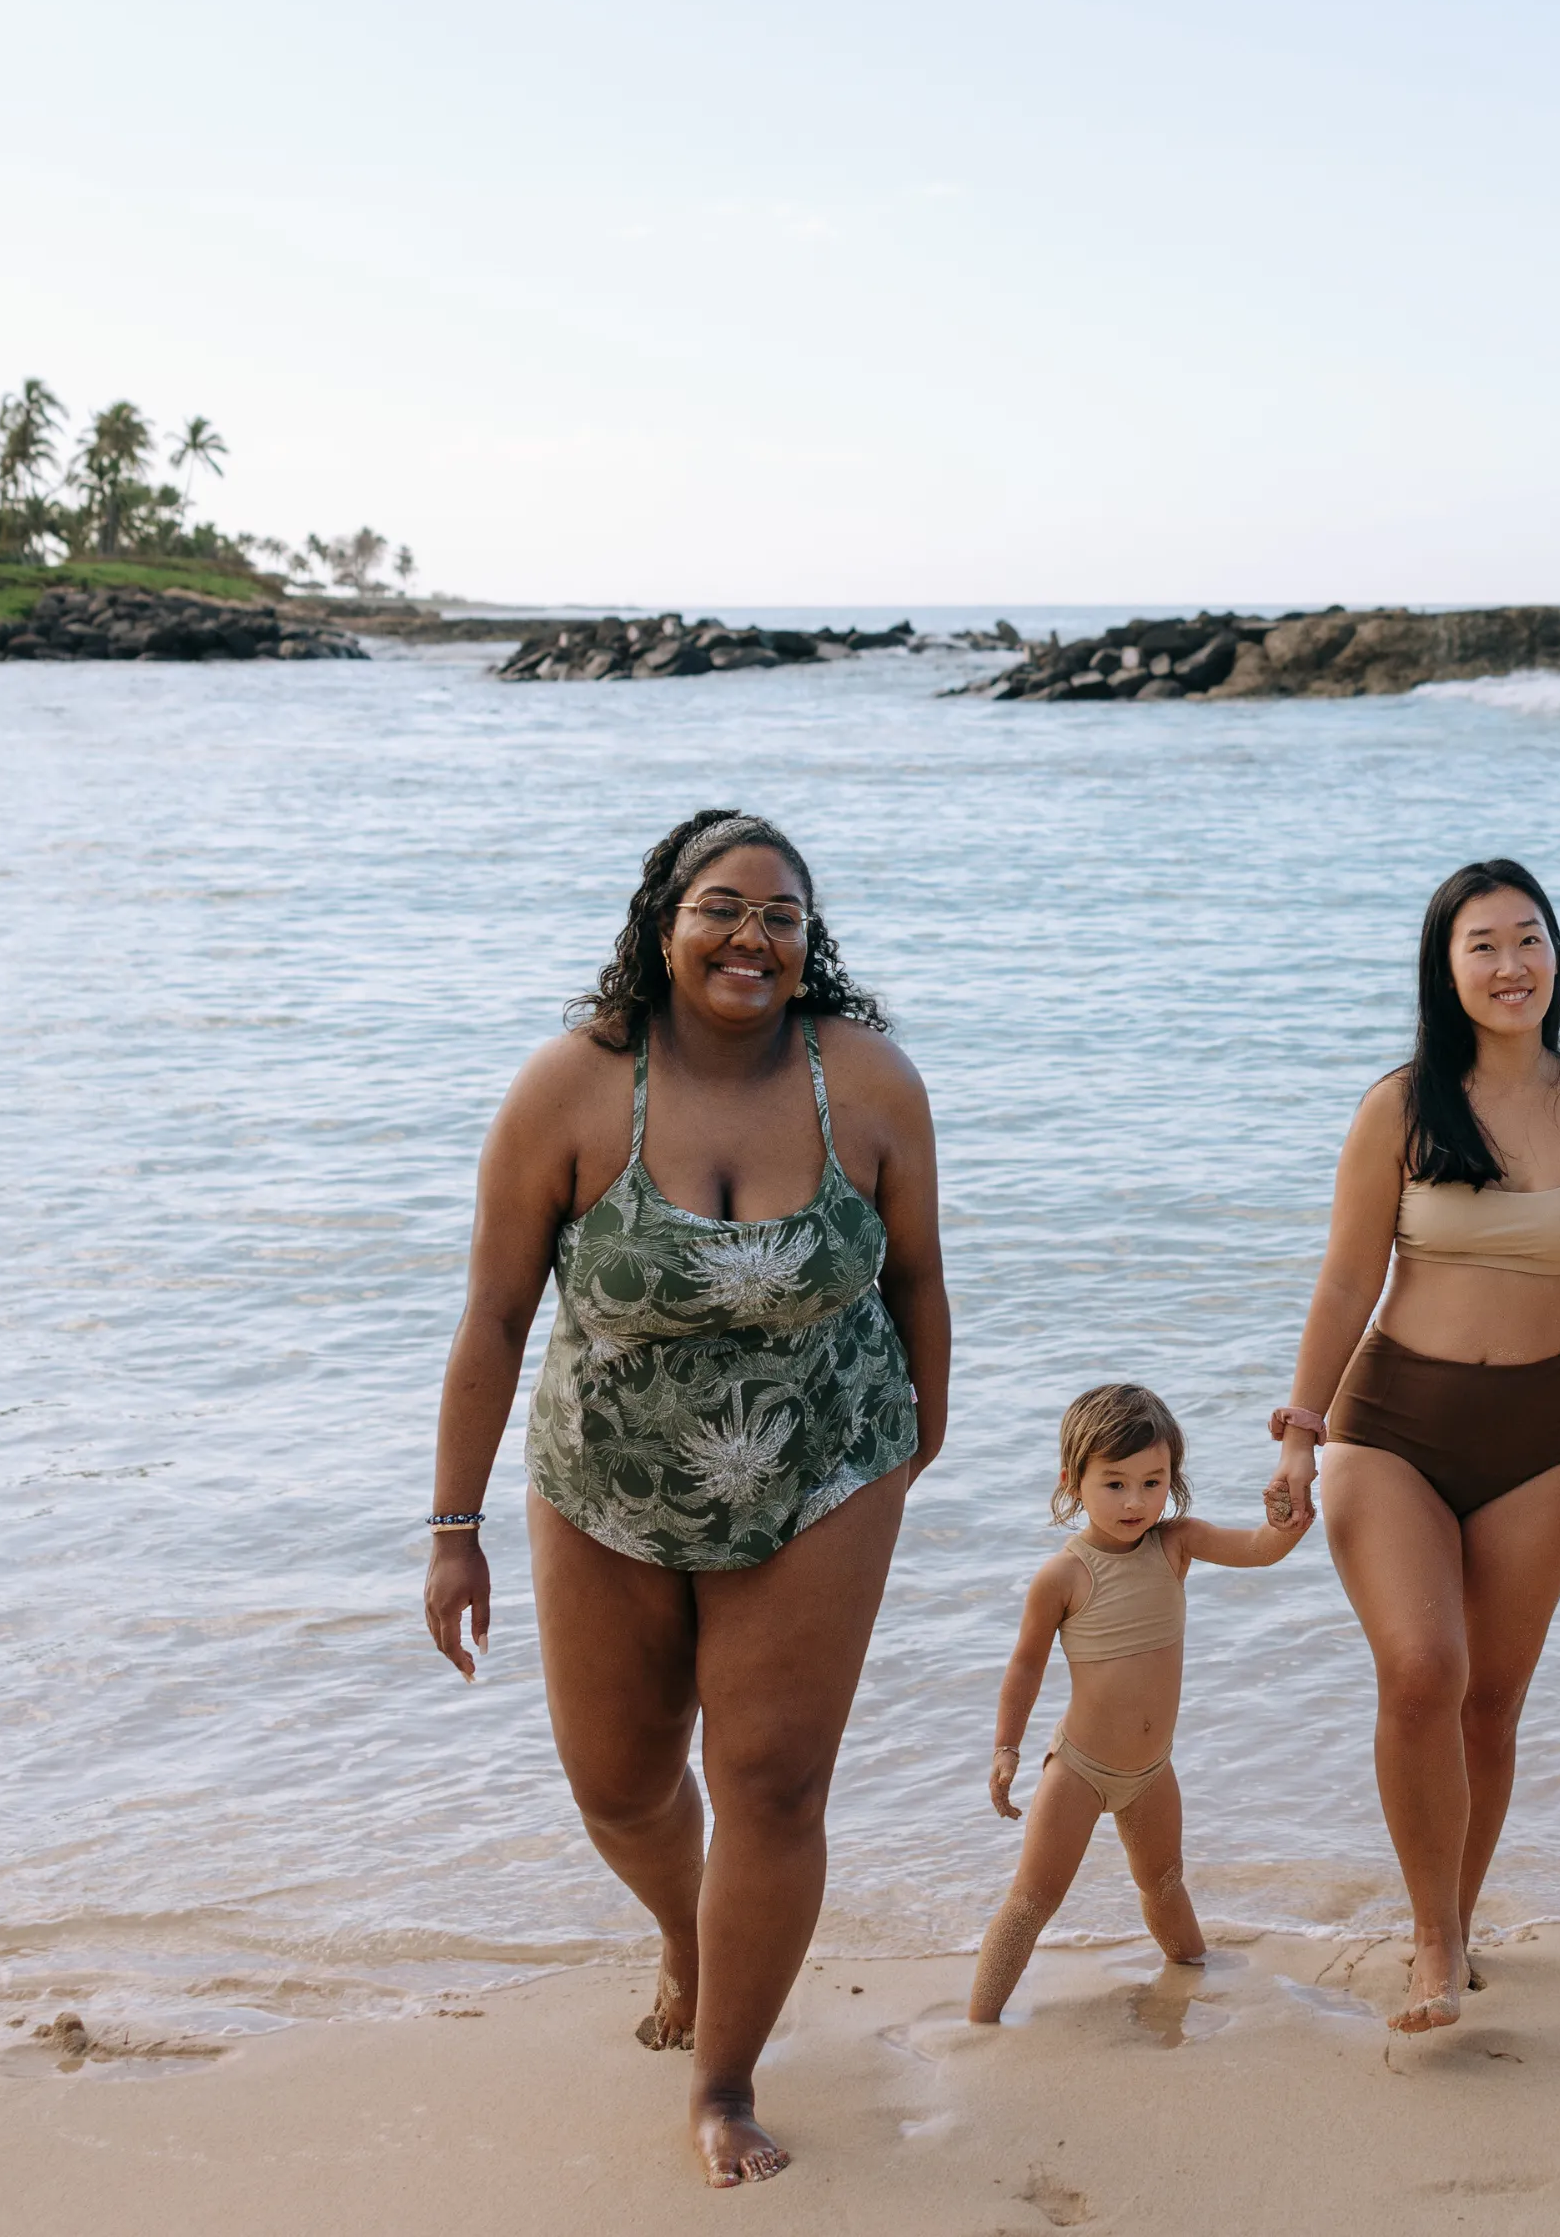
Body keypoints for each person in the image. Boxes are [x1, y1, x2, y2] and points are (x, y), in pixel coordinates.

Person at [421, 809, 950, 2190]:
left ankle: (723, 2080)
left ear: (808, 943)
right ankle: (690, 1927)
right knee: (621, 1784)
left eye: (783, 916)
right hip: (606, 1484)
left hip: (826, 1468)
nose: (752, 938)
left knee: (771, 1782)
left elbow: (918, 1280)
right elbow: (490, 1319)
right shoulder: (572, 1090)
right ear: (663, 924)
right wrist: (452, 1530)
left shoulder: (870, 1083)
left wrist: (915, 1447)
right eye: (723, 907)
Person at [1264, 860, 1560, 2034]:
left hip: (1541, 1436)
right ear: (1446, 970)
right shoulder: (1400, 1105)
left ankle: (1458, 1913)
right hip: (1390, 1424)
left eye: (1528, 940)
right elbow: (1347, 1277)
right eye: (1482, 945)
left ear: (1556, 954)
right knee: (1422, 1670)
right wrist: (1299, 1433)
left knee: (1492, 1707)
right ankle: (1433, 1944)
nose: (1510, 966)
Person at [966, 1382, 1309, 2024]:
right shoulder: (1064, 1576)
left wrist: (1286, 1520)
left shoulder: (1176, 1544)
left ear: (1172, 1479)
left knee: (1163, 1883)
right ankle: (979, 2022)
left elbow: (1260, 1551)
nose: (1136, 1501)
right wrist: (1007, 1749)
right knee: (1032, 1901)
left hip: (1152, 1772)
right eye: (1115, 1483)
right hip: (1079, 1770)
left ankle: (1194, 1973)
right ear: (1074, 1481)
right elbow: (1024, 1666)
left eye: (1153, 1482)